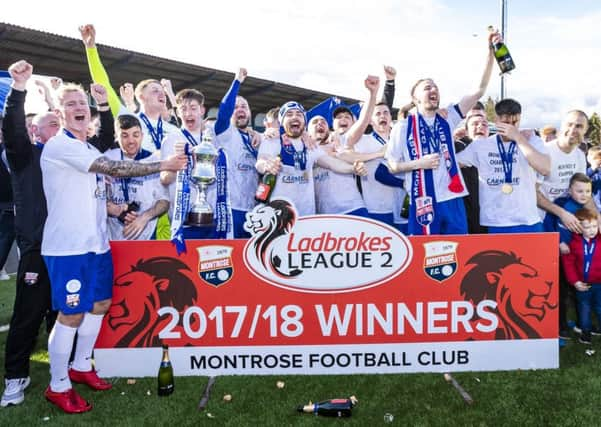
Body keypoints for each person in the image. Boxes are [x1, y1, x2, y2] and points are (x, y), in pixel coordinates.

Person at [40, 82, 186, 414]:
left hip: (97, 243)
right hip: (68, 248)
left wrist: (124, 210)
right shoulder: (60, 146)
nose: (79, 107)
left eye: (83, 103)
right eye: (71, 103)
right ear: (60, 112)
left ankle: (81, 365)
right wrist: (164, 165)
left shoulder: (89, 148)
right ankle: (58, 384)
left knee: (102, 303)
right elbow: (116, 168)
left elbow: (101, 189)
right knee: (72, 312)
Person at [0, 60, 115, 408]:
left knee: (70, 311)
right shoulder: (26, 154)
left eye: (57, 120)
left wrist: (103, 107)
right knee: (28, 315)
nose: (55, 124)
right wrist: (18, 90)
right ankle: (16, 379)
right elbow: (13, 129)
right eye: (49, 121)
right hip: (39, 247)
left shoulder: (78, 150)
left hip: (79, 247)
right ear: (36, 132)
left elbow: (102, 139)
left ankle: (72, 369)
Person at [385, 31, 497, 235]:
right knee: (425, 257)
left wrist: (490, 52)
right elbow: (392, 166)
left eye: (435, 86)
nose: (433, 89)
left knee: (458, 252)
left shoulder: (448, 118)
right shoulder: (402, 126)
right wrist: (419, 163)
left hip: (453, 198)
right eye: (427, 87)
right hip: (423, 199)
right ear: (415, 97)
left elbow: (479, 90)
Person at [256, 102, 367, 216]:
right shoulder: (272, 141)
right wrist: (266, 165)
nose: (294, 117)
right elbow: (260, 161)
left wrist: (353, 168)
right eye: (289, 114)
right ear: (281, 122)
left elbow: (332, 164)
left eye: (299, 114)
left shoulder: (311, 146)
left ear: (304, 122)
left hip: (307, 215)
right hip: (279, 215)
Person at [456, 99, 549, 233]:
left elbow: (545, 168)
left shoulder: (531, 140)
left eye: (515, 122)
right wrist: (451, 138)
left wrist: (519, 139)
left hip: (528, 221)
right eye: (506, 123)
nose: (511, 127)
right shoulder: (480, 146)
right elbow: (451, 164)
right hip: (494, 222)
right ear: (496, 119)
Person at [106, 115, 169, 240]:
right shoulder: (107, 159)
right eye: (124, 136)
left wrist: (144, 217)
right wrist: (113, 209)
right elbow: (97, 196)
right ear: (116, 137)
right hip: (112, 239)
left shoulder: (154, 160)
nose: (131, 141)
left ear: (142, 136)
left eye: (135, 135)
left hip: (146, 237)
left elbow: (164, 201)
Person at [562, 208, 601, 345]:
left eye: (595, 226)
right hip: (582, 284)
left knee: (599, 307)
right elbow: (568, 264)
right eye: (587, 227)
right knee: (584, 308)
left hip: (599, 284)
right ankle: (585, 332)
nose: (592, 230)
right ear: (578, 228)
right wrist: (575, 281)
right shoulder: (573, 244)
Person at [455, 105, 488, 234]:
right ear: (466, 131)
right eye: (475, 124)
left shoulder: (496, 148)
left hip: (492, 216)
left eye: (484, 124)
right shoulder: (457, 147)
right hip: (467, 214)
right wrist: (452, 136)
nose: (480, 126)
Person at [587, 145, 601, 211]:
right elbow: (582, 178)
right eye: (596, 158)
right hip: (596, 205)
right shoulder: (588, 171)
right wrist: (593, 168)